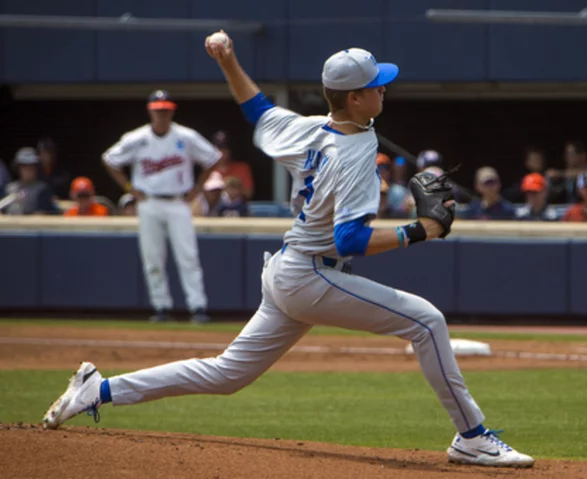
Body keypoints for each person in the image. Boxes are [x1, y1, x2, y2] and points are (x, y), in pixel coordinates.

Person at [41, 34, 534, 469]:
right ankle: (472, 437)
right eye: (377, 85)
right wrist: (420, 230)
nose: (385, 89)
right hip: (311, 276)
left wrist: (227, 60)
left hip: (290, 270)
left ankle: (98, 390)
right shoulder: (357, 154)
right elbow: (351, 241)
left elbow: (255, 109)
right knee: (427, 321)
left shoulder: (310, 128)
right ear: (356, 97)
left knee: (227, 373)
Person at [101, 89, 221, 324]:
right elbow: (110, 159)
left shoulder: (186, 136)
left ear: (172, 111)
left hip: (178, 201)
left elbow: (212, 157)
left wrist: (197, 186)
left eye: (165, 110)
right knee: (153, 258)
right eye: (158, 110)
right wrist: (128, 186)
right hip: (149, 201)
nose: (162, 115)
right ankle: (161, 307)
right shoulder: (137, 138)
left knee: (188, 256)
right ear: (150, 111)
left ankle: (197, 307)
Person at [1, 147, 58, 215]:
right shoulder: (9, 188)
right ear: (18, 168)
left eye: (31, 166)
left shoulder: (43, 190)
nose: (28, 170)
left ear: (36, 168)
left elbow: (46, 214)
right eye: (24, 166)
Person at [212, 130, 254, 200]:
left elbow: (249, 193)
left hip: (238, 208)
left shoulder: (242, 167)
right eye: (218, 150)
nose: (221, 153)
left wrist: (230, 186)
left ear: (230, 151)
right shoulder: (208, 170)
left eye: (224, 150)